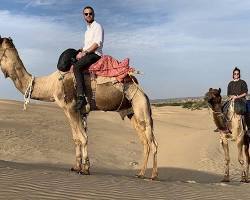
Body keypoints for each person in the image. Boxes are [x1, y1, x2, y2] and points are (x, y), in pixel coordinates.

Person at [73, 6, 104, 111]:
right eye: (86, 14)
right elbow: (86, 45)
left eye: (90, 13)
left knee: (77, 67)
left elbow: (96, 44)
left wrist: (84, 52)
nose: (88, 15)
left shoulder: (97, 26)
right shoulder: (87, 31)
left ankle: (81, 97)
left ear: (93, 14)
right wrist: (79, 51)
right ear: (83, 16)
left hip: (95, 54)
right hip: (87, 53)